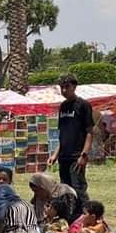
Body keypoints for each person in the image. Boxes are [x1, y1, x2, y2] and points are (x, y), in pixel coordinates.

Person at [49, 74, 93, 203]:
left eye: (67, 87)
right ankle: (70, 213)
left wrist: (84, 155)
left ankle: (86, 213)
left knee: (78, 189)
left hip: (77, 156)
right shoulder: (63, 107)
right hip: (64, 157)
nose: (64, 90)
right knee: (65, 190)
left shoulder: (83, 105)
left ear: (74, 87)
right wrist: (55, 155)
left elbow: (89, 132)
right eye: (62, 87)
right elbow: (63, 135)